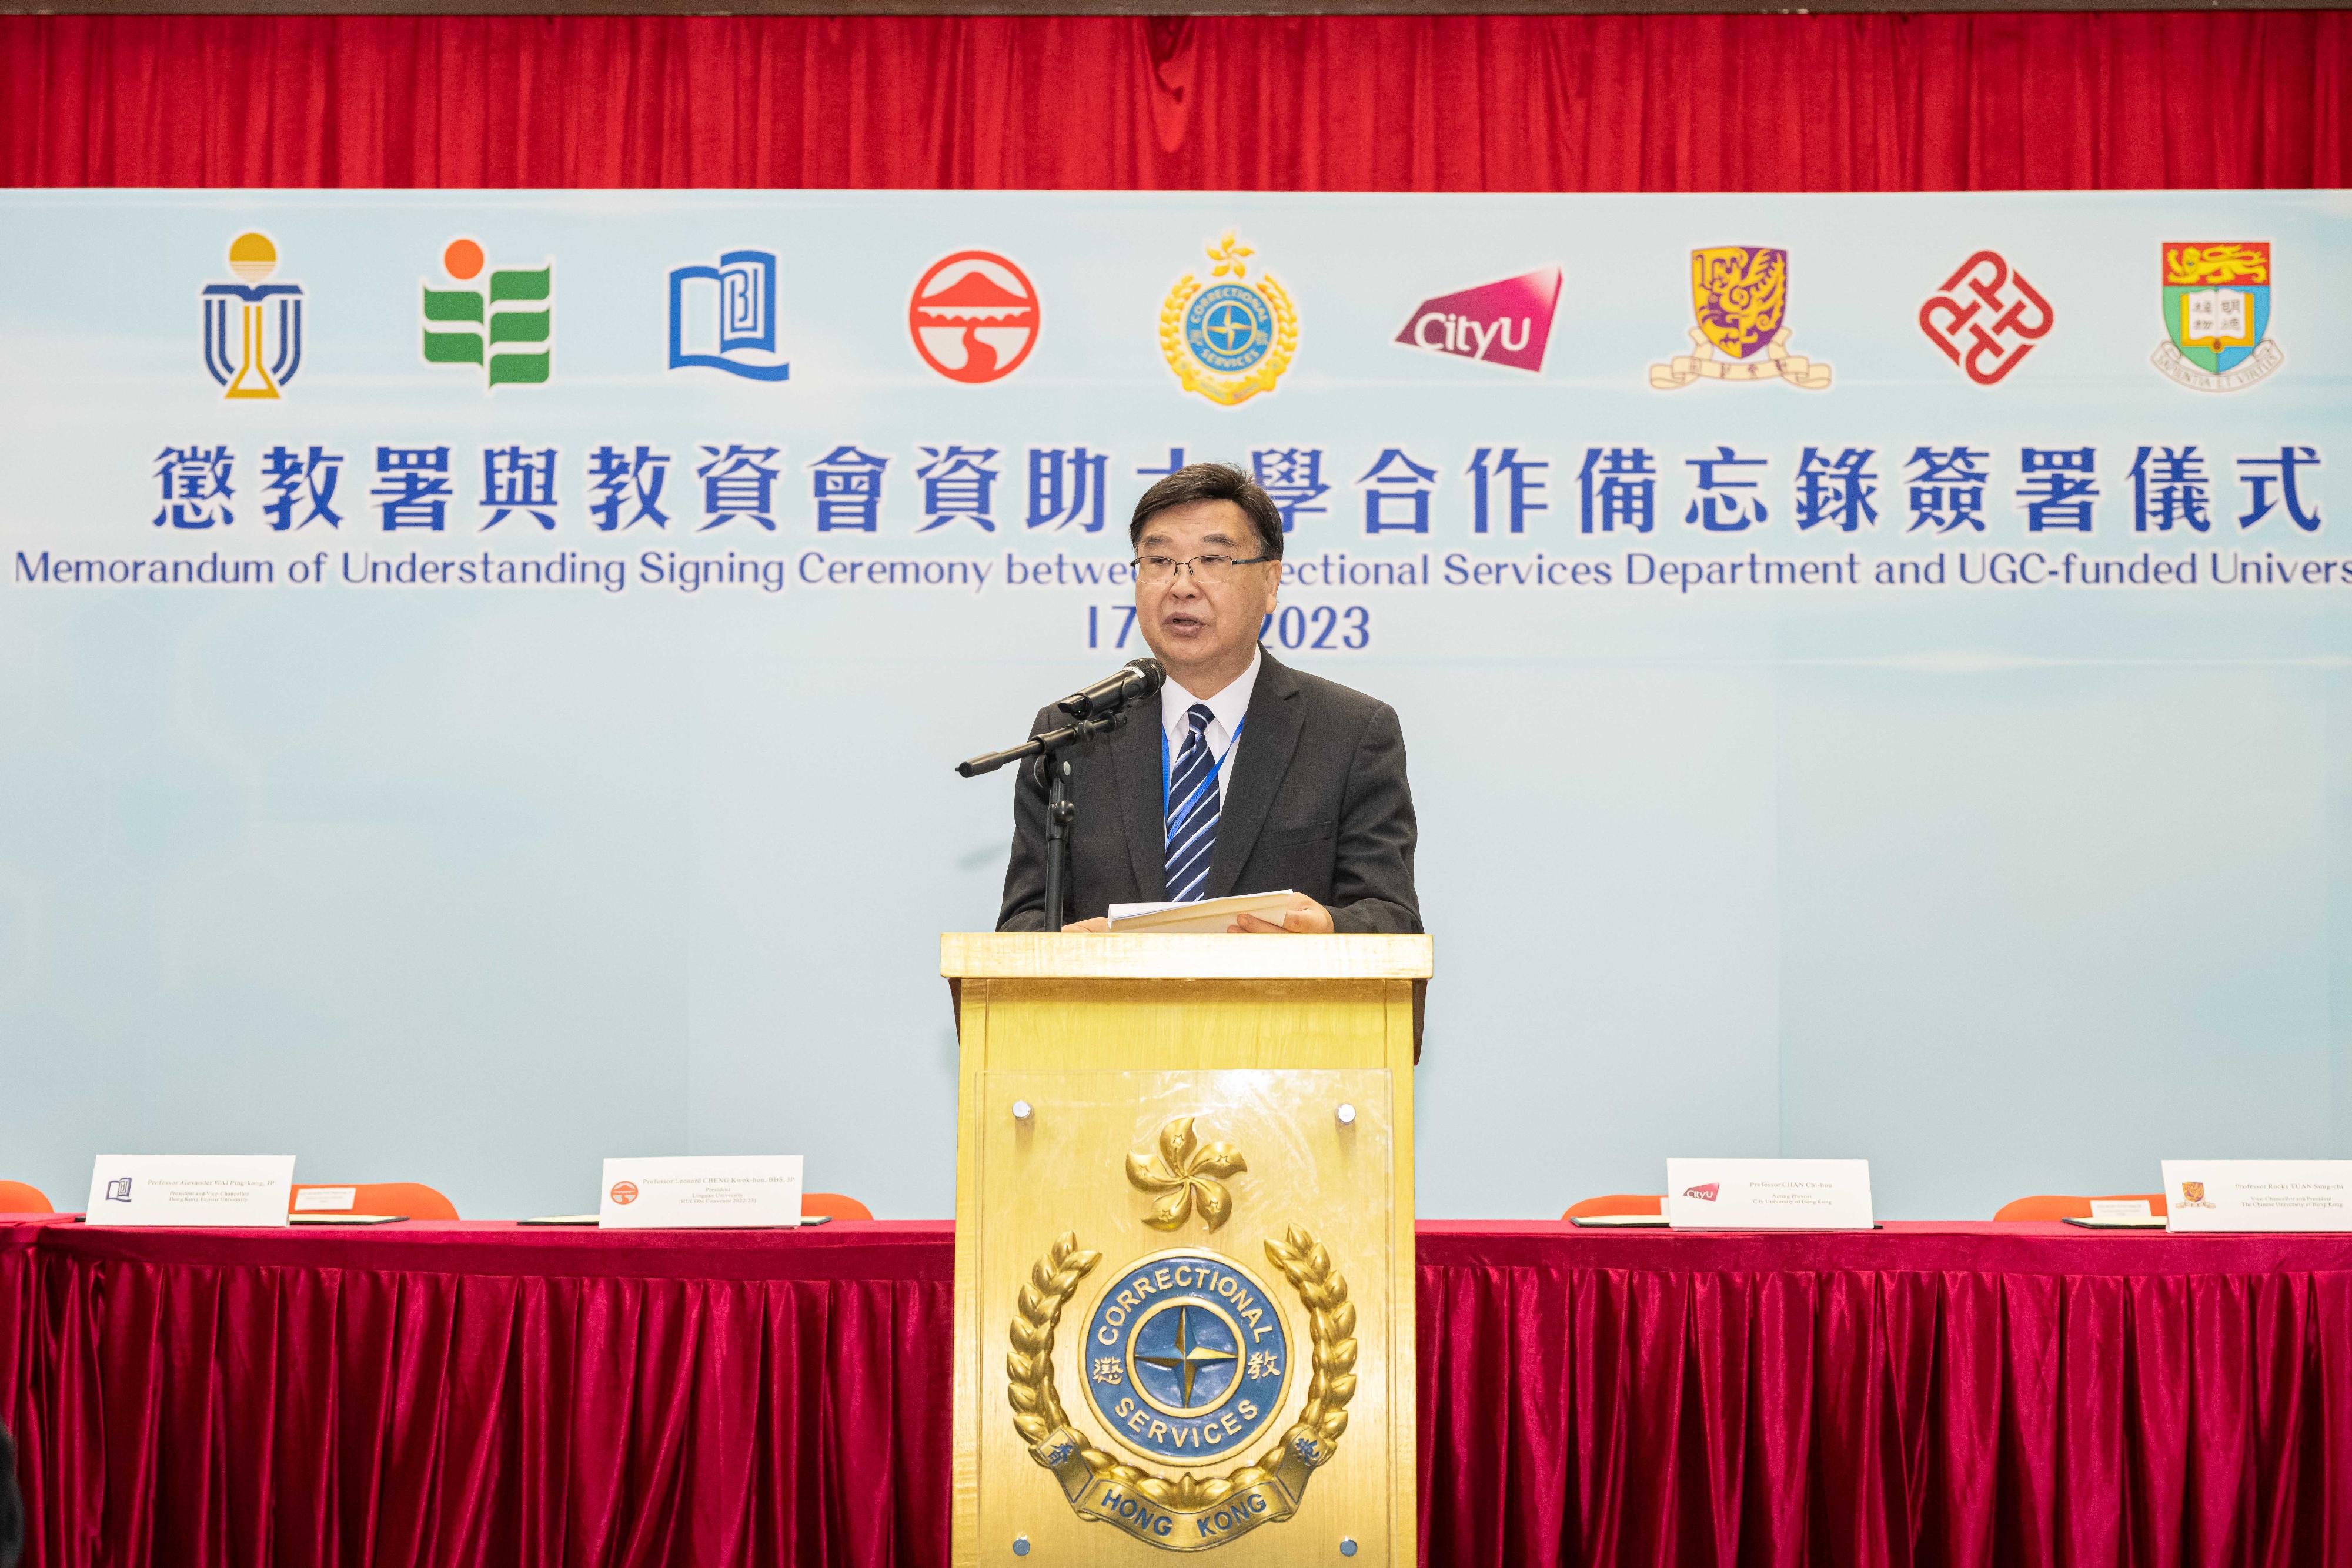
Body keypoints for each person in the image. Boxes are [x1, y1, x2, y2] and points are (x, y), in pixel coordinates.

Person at [997, 462, 1420, 934]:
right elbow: (1023, 920)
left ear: (1271, 582)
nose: (1181, 586)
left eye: (1213, 561)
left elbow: (1392, 919)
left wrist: (1327, 933)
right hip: (1110, 1008)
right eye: (1158, 562)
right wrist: (1058, 946)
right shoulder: (1073, 734)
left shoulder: (1350, 733)